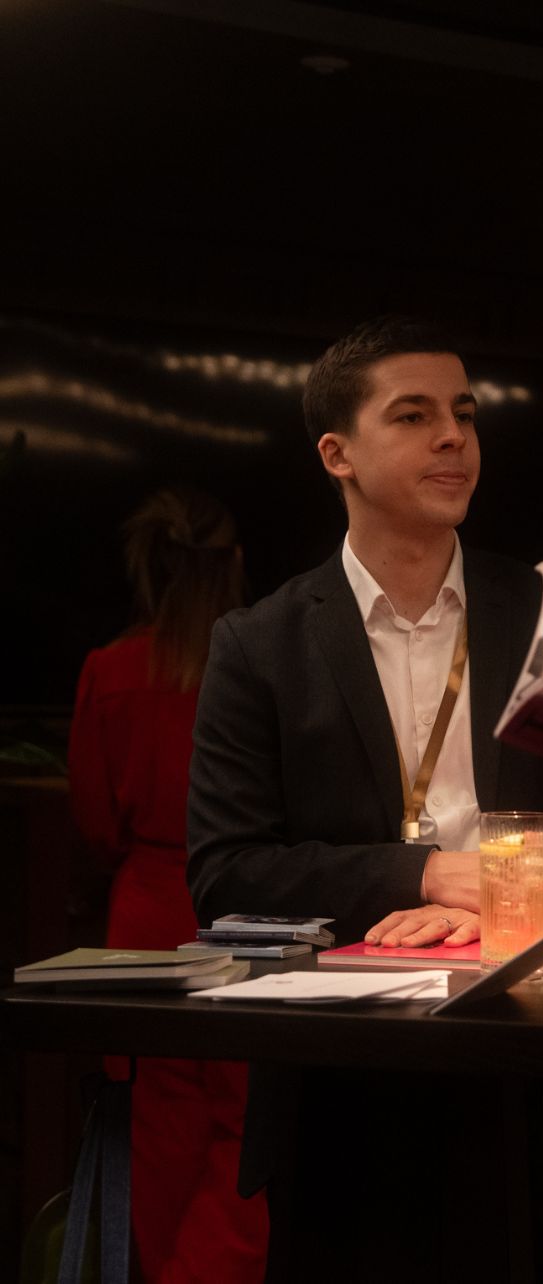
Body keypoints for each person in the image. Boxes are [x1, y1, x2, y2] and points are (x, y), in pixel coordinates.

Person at [187, 317, 543, 1282]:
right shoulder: (260, 644)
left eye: (465, 413)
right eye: (414, 416)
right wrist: (423, 875)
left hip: (526, 1055)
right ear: (337, 454)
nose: (454, 436)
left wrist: (507, 891)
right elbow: (226, 875)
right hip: (341, 1078)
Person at [68, 484, 269, 1284]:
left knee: (156, 1130)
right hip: (248, 919)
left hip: (146, 917)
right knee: (249, 1134)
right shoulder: (262, 663)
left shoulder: (110, 671)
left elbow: (94, 823)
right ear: (235, 564)